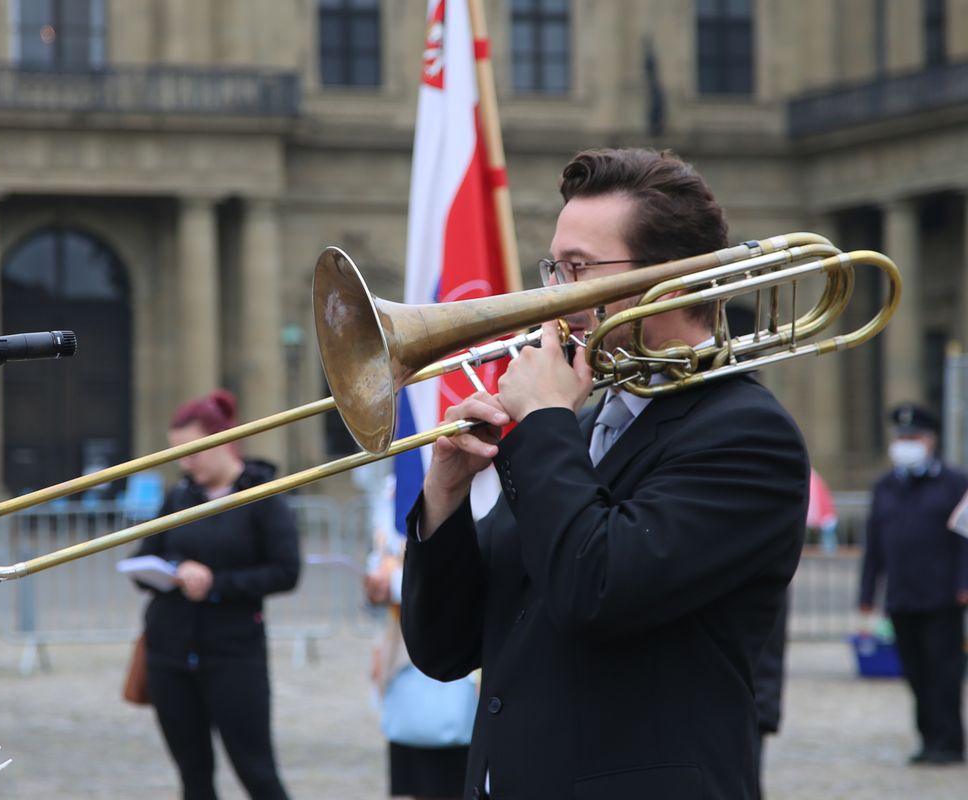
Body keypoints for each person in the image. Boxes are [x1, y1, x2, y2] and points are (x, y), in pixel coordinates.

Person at [400, 148, 810, 799]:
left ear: (672, 284)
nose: (554, 295)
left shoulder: (747, 434)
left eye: (579, 269)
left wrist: (540, 425)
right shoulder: (578, 429)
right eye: (554, 267)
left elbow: (597, 589)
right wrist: (444, 494)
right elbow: (444, 649)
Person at [132, 389, 300, 799]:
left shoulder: (260, 493)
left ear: (223, 441)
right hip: (169, 654)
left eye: (193, 451)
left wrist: (216, 584)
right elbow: (142, 559)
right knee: (193, 776)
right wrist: (176, 570)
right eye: (178, 453)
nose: (185, 462)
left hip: (234, 653)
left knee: (257, 772)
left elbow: (285, 571)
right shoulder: (179, 496)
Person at [858, 402, 968, 766]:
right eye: (901, 437)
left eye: (913, 437)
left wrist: (963, 582)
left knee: (944, 672)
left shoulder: (955, 483)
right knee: (916, 673)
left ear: (930, 440)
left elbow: (964, 539)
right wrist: (866, 595)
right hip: (902, 596)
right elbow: (874, 545)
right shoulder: (886, 486)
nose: (905, 443)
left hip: (943, 597)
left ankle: (948, 741)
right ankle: (927, 738)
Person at [364, 473, 470, 800]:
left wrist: (396, 581)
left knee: (459, 773)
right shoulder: (395, 483)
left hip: (463, 647)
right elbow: (382, 547)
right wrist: (377, 583)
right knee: (418, 776)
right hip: (405, 647)